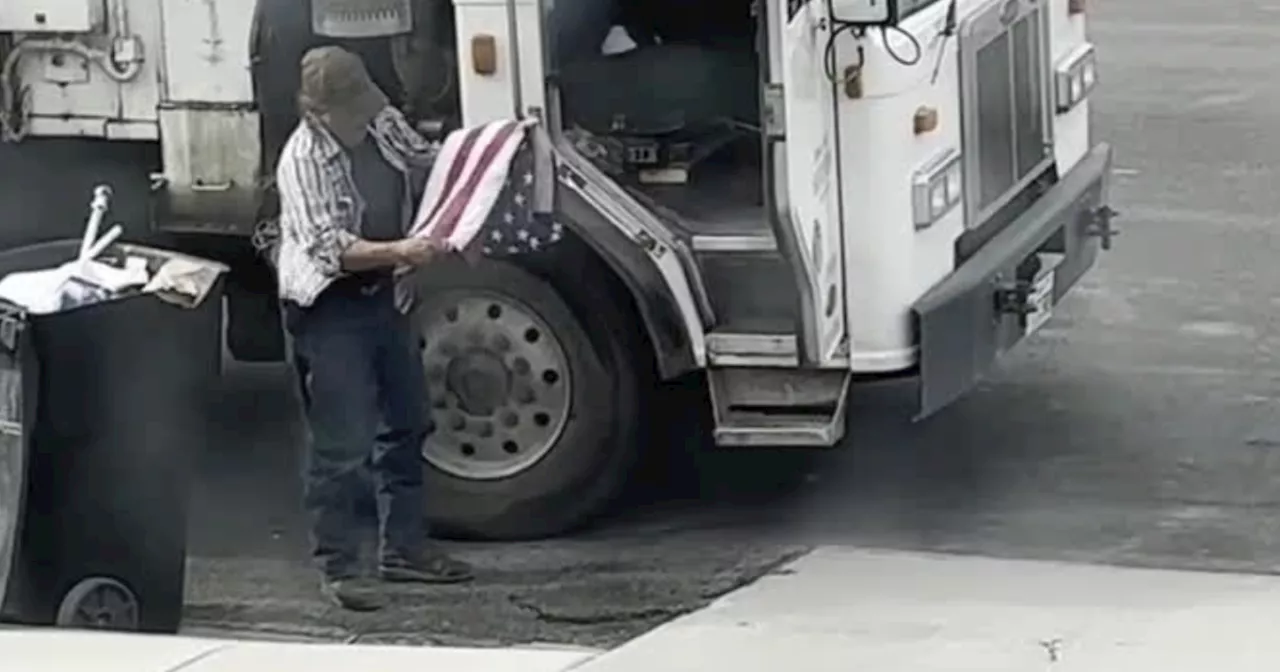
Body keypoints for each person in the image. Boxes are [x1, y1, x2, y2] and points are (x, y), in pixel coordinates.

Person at [274, 45, 473, 612]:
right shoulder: (303, 159)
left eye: (368, 106)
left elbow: (423, 158)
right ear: (320, 113)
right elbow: (330, 248)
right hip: (331, 307)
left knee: (408, 422)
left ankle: (404, 549)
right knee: (343, 445)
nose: (367, 119)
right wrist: (401, 250)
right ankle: (341, 568)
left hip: (387, 296)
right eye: (354, 112)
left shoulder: (380, 122)